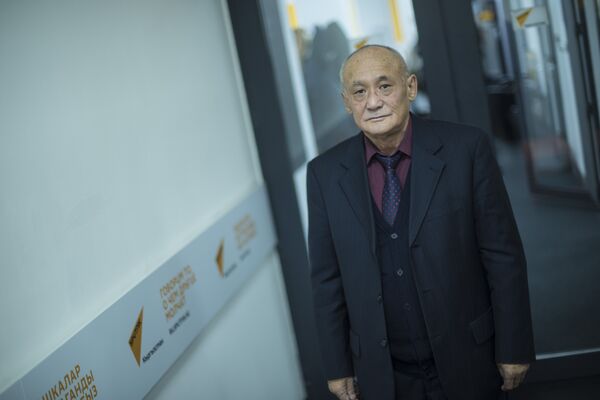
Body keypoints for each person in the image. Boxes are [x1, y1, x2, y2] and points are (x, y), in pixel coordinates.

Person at [306, 44, 535, 400]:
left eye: (385, 86)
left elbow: (502, 256)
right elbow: (326, 281)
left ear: (410, 87)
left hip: (469, 358)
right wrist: (338, 367)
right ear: (346, 102)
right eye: (359, 92)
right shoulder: (324, 174)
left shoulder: (466, 149)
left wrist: (514, 345)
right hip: (385, 375)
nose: (373, 102)